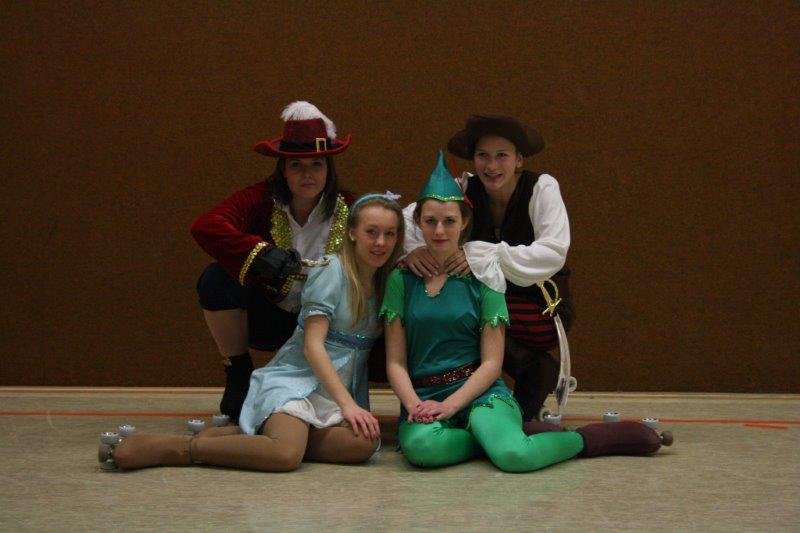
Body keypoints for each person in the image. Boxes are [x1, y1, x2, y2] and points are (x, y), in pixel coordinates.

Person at [382, 153, 671, 472]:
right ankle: (494, 438)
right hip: (423, 395)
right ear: (418, 222)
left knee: (514, 457)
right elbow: (395, 361)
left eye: (449, 221)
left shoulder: (485, 274)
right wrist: (414, 405)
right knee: (424, 449)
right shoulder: (400, 279)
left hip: (479, 393)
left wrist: (450, 406)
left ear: (464, 222)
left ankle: (587, 439)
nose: (439, 230)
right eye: (430, 221)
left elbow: (492, 363)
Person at [99, 194, 404, 471]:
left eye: (389, 234)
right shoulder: (331, 270)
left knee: (363, 444)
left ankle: (254, 436)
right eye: (371, 232)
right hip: (297, 383)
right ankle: (182, 448)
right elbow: (313, 346)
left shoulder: (386, 282)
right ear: (351, 233)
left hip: (334, 395)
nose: (380, 242)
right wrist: (348, 405)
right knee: (285, 456)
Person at [402, 115, 573, 424]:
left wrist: (485, 255)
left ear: (519, 160)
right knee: (452, 315)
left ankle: (527, 376)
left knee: (466, 317)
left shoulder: (541, 188)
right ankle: (495, 396)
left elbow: (553, 251)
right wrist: (414, 250)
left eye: (501, 155)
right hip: (484, 296)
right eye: (483, 155)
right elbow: (408, 218)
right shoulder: (463, 188)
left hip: (536, 305)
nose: (491, 165)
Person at [191, 101, 355, 423]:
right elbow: (205, 226)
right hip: (270, 317)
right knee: (215, 279)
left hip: (329, 325)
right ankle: (238, 373)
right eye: (296, 165)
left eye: (317, 165)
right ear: (282, 169)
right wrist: (262, 253)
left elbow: (390, 236)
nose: (307, 174)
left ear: (329, 169)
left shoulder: (350, 207)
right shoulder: (260, 199)